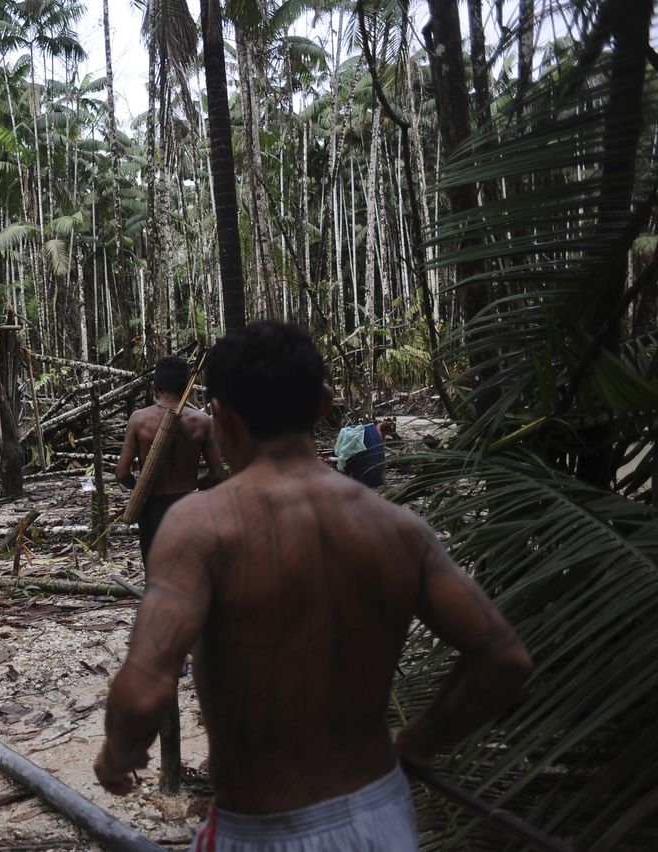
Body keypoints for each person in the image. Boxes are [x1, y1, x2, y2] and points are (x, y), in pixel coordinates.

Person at [94, 321, 534, 851]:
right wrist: (421, 740)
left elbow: (143, 692)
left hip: (262, 828)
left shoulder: (201, 527)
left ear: (224, 418)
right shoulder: (397, 528)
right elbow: (503, 657)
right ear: (323, 405)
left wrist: (117, 756)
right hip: (379, 815)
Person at [115, 355, 226, 574]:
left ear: (155, 386)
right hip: (188, 505)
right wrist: (192, 484)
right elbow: (217, 474)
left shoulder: (139, 419)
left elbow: (122, 473)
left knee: (156, 574)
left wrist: (142, 487)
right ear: (187, 387)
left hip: (153, 507)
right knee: (191, 573)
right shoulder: (202, 421)